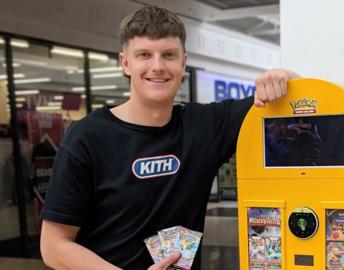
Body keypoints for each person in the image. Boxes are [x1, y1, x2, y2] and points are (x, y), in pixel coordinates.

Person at [40, 5, 299, 270]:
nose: (158, 66)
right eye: (144, 55)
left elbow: (300, 97)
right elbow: (54, 246)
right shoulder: (86, 139)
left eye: (168, 55)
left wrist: (283, 77)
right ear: (125, 63)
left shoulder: (206, 125)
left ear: (183, 62)